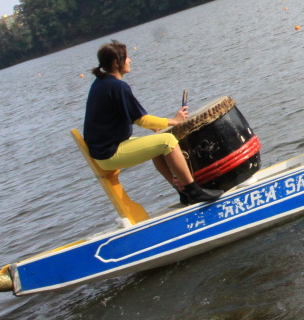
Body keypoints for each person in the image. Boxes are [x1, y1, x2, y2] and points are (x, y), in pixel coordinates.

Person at [82, 40, 223, 204]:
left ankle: (183, 191)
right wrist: (174, 121)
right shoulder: (117, 86)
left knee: (158, 143)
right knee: (168, 141)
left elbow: (125, 115)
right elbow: (141, 120)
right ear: (116, 62)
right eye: (126, 57)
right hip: (109, 153)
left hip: (104, 149)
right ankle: (194, 191)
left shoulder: (101, 83)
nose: (129, 60)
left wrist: (158, 126)